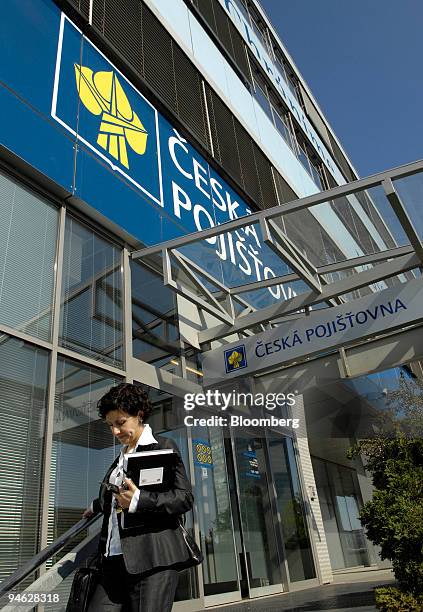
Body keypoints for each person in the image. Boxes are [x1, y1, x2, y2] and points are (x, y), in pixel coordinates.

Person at [82, 383, 194, 612]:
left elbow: (184, 498)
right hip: (113, 560)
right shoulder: (120, 459)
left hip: (152, 560)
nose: (115, 431)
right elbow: (113, 497)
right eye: (110, 425)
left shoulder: (162, 447)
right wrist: (96, 505)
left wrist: (138, 500)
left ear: (139, 414)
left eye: (120, 423)